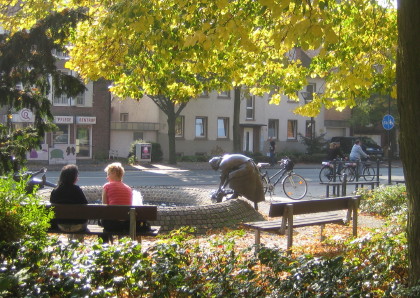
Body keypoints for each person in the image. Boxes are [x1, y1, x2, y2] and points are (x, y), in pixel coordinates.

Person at [50, 164, 88, 233]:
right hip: (78, 225)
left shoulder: (55, 191)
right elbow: (85, 206)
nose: (77, 178)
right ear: (73, 177)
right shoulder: (77, 190)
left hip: (61, 225)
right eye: (77, 176)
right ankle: (77, 243)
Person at [101, 162, 133, 232]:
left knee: (102, 221)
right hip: (126, 224)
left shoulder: (107, 186)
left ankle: (104, 242)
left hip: (112, 224)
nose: (107, 177)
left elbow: (104, 206)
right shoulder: (129, 188)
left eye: (108, 174)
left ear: (114, 173)